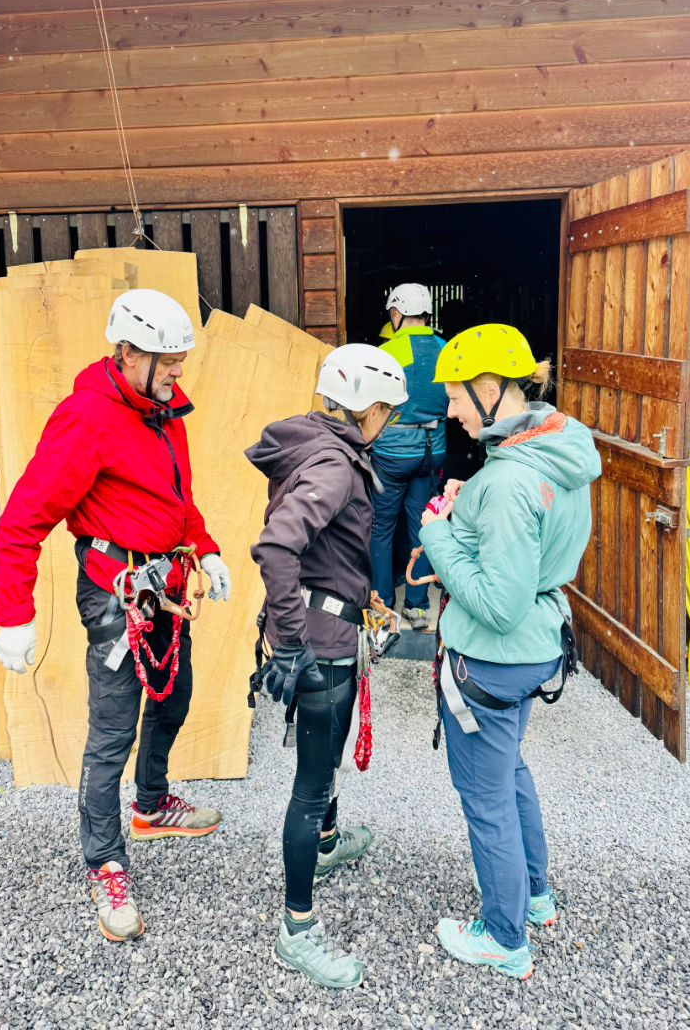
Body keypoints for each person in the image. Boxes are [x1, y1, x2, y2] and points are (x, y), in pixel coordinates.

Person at [0, 289, 232, 942]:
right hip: (116, 592)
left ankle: (151, 805)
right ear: (127, 353)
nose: (179, 372)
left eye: (180, 360)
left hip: (166, 583)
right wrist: (14, 615)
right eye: (168, 361)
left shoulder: (163, 412)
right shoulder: (85, 419)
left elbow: (179, 501)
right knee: (112, 730)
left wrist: (206, 549)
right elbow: (21, 522)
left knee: (174, 696)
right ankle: (105, 861)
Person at [418, 323, 600, 979]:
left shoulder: (506, 482)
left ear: (490, 388)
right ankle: (536, 894)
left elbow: (498, 605)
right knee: (511, 773)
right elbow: (531, 530)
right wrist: (472, 504)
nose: (450, 412)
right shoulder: (555, 449)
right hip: (540, 644)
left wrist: (439, 535)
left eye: (456, 397)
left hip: (493, 658)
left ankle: (503, 937)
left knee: (485, 797)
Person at [245, 343, 408, 989]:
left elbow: (320, 547)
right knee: (311, 785)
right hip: (319, 641)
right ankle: (297, 929)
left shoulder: (315, 442)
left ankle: (329, 841)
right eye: (388, 410)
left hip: (328, 623)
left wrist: (357, 594)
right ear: (368, 408)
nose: (389, 422)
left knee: (327, 757)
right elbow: (277, 546)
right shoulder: (336, 466)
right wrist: (291, 643)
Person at [370, 283, 448, 630]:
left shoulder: (387, 353)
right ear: (427, 314)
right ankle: (417, 607)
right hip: (433, 453)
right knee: (423, 526)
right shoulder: (446, 350)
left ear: (396, 313)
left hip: (391, 455)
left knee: (381, 528)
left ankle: (382, 606)